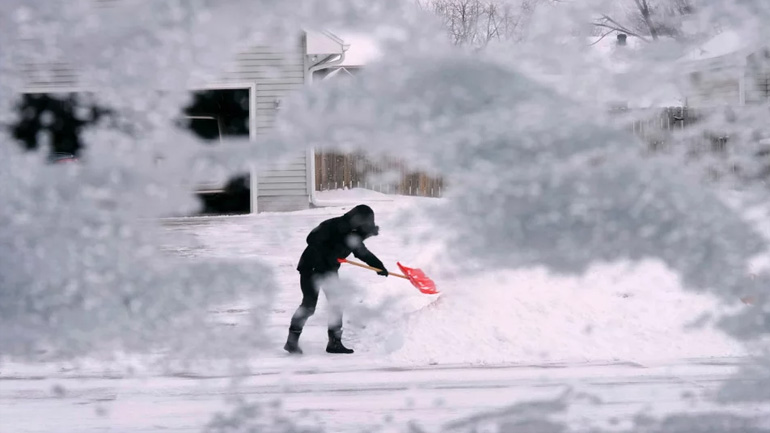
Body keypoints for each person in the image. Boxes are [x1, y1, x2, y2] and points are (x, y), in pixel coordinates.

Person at [284, 204, 388, 355]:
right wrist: (328, 254)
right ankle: (291, 342)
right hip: (311, 267)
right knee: (308, 306)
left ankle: (334, 343)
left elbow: (362, 253)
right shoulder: (333, 225)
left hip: (329, 271)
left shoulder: (354, 234)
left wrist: (379, 266)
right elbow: (311, 239)